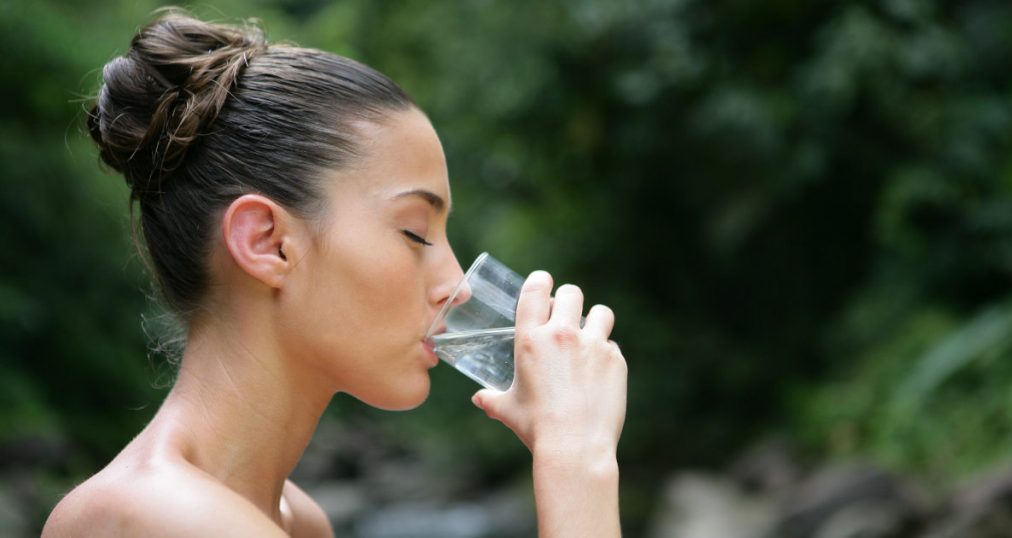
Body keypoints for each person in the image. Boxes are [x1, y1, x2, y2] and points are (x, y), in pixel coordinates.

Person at [42, 9, 627, 538]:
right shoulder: (159, 518)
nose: (459, 285)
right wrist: (576, 459)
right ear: (268, 243)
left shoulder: (295, 520)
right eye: (415, 232)